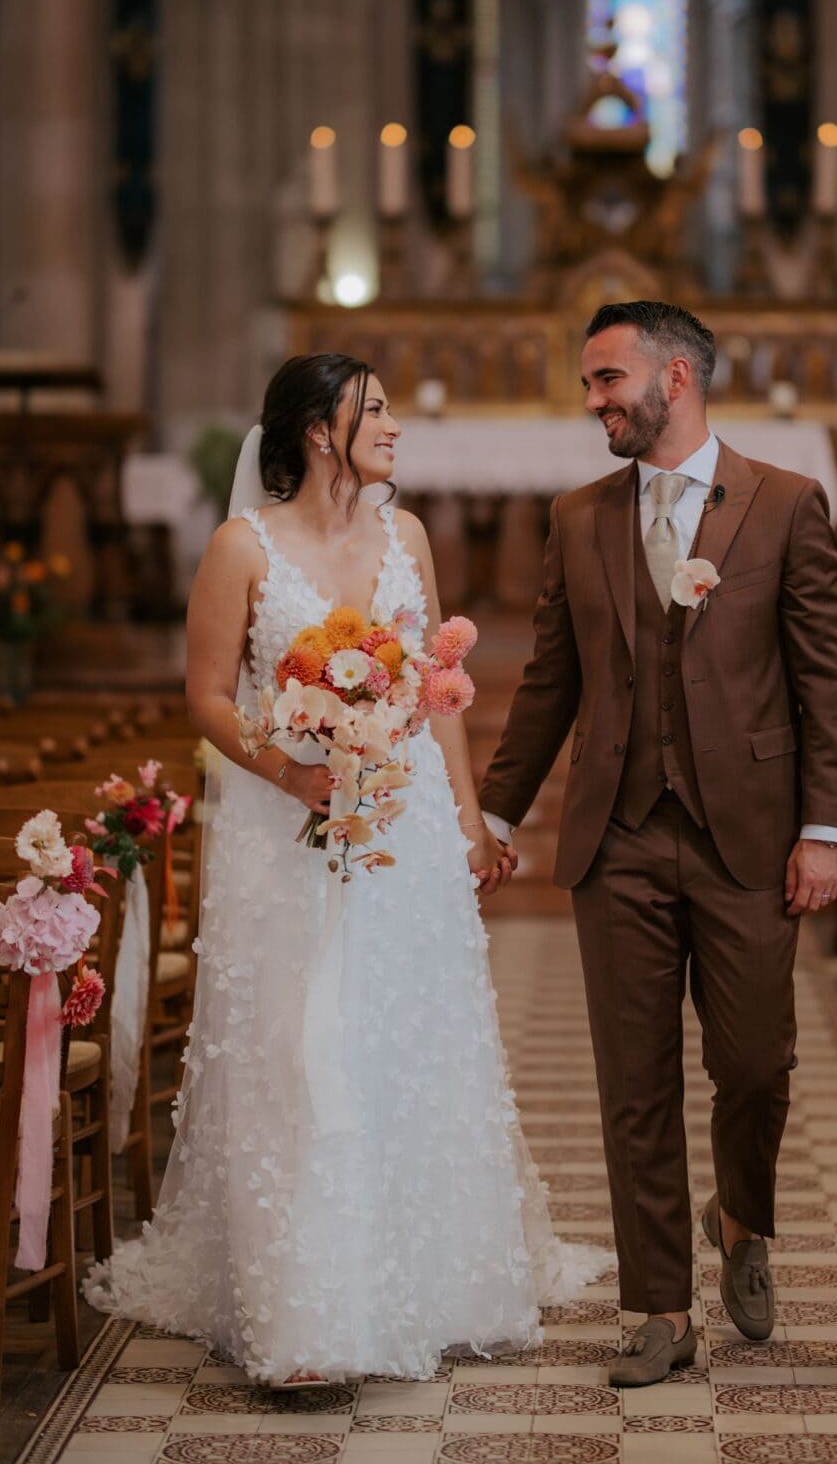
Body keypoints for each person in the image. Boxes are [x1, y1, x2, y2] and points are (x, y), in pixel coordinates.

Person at [86, 352, 609, 1382]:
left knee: (400, 1033)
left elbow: (431, 696)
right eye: (372, 409)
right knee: (300, 1038)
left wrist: (466, 819)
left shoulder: (404, 535)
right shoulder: (242, 548)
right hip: (283, 832)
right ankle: (303, 1311)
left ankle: (422, 1272)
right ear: (318, 430)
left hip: (401, 827)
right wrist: (287, 768)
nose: (393, 425)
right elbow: (206, 694)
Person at [480, 301, 837, 1388]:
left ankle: (741, 1214)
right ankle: (654, 1305)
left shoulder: (785, 505)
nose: (591, 400)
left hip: (746, 834)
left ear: (674, 376)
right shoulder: (576, 515)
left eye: (606, 380)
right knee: (632, 1080)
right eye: (589, 384)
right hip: (620, 837)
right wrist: (497, 813)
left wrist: (820, 827)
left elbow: (820, 683)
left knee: (753, 1062)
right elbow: (551, 678)